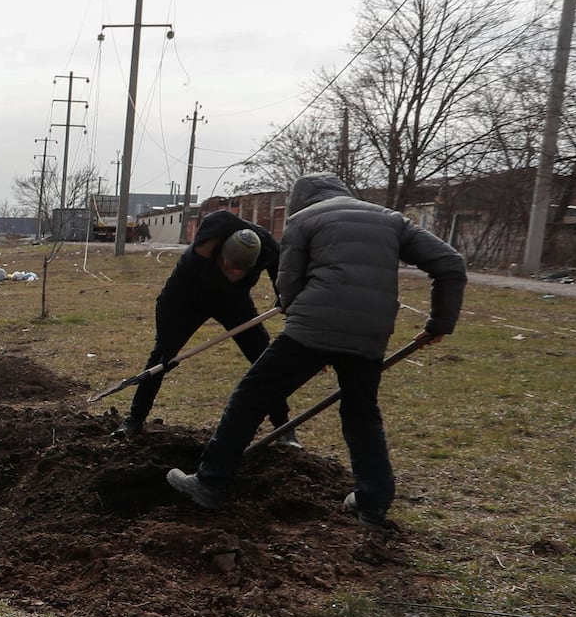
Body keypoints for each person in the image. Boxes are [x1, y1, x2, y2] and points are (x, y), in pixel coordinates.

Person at [167, 173, 466, 529]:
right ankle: (372, 503)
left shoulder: (303, 219)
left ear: (298, 201)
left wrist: (306, 332)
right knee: (362, 414)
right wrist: (439, 324)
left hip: (313, 326)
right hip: (371, 332)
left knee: (252, 396)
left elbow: (288, 285)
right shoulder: (391, 220)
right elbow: (450, 264)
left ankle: (210, 482)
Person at [114, 209, 297, 448]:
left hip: (234, 303)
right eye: (229, 266)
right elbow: (168, 302)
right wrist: (169, 341)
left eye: (241, 271)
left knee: (264, 357)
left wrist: (288, 304)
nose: (234, 273)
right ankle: (134, 421)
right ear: (218, 252)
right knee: (162, 357)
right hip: (187, 299)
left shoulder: (268, 249)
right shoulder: (205, 244)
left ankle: (284, 428)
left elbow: (283, 282)